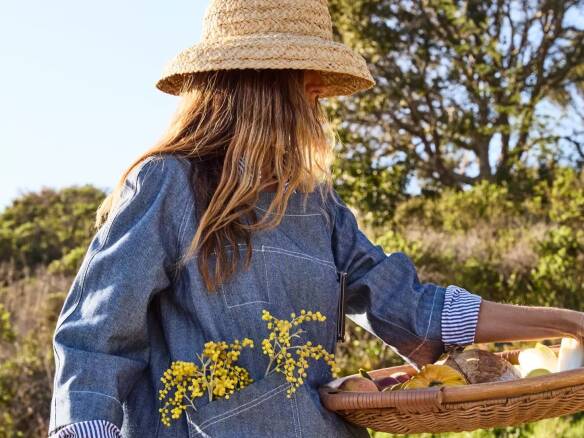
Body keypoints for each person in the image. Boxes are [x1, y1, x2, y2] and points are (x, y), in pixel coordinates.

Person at [48, 1, 584, 437]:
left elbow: (414, 309)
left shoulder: (314, 204)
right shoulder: (169, 182)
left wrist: (569, 323)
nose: (318, 100)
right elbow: (94, 339)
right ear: (262, 84)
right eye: (307, 82)